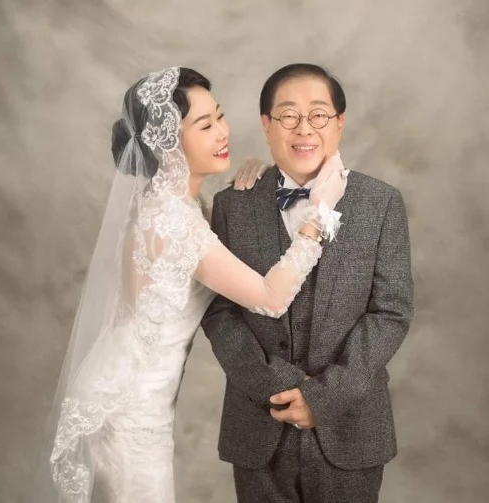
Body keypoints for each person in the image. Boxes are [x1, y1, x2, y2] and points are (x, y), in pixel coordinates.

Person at [37, 66, 348, 502]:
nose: (222, 132)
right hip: (130, 412)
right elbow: (271, 298)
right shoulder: (172, 221)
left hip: (132, 398)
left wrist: (254, 181)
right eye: (205, 125)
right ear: (167, 145)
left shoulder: (179, 204)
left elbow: (222, 241)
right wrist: (319, 214)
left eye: (220, 116)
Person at [202, 63, 414, 503]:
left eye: (318, 114)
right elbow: (219, 311)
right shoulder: (232, 204)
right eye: (288, 115)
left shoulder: (381, 202)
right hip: (258, 423)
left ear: (339, 122)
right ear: (266, 125)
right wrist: (270, 385)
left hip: (351, 425)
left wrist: (324, 396)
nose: (304, 128)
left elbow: (391, 313)